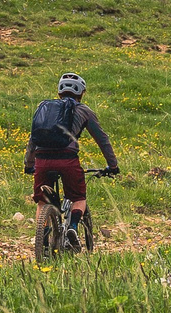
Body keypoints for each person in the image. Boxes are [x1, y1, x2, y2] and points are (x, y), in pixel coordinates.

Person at [27, 73, 119, 247]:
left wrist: (29, 164)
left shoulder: (44, 108)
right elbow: (102, 139)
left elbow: (33, 139)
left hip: (42, 161)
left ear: (59, 92)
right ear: (82, 93)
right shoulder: (84, 111)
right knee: (78, 197)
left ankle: (43, 240)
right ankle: (73, 227)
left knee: (42, 201)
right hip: (67, 161)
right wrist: (112, 165)